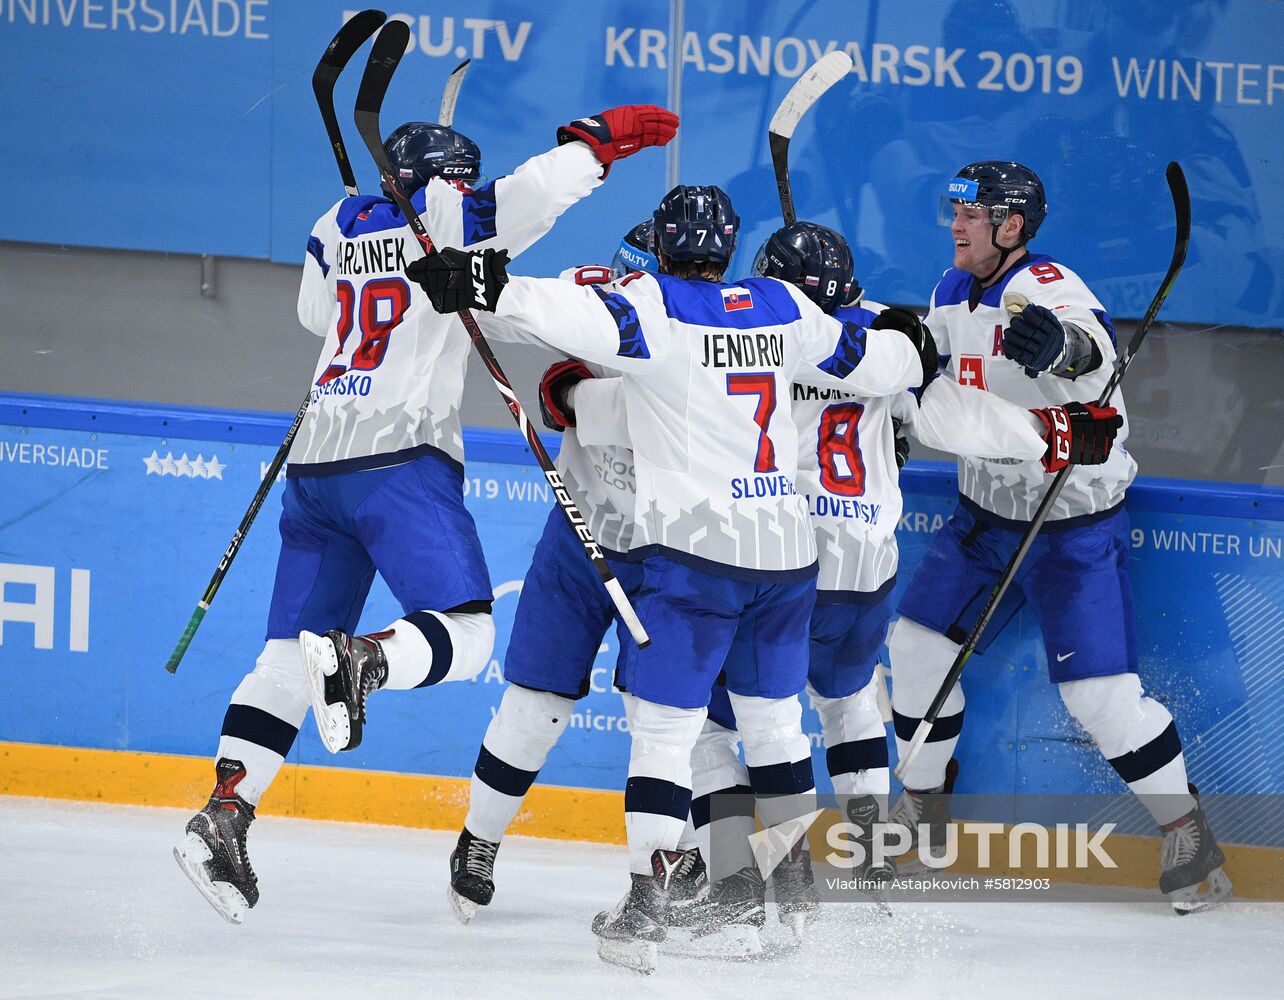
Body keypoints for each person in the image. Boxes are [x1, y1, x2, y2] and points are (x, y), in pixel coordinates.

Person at [172, 106, 678, 924]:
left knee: (281, 658)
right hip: (397, 460)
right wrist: (598, 145)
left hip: (316, 466)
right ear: (444, 176)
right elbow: (531, 195)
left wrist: (370, 246)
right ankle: (365, 662)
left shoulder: (333, 220)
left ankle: (224, 815)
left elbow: (317, 316)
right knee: (467, 630)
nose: (471, 190)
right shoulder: (445, 212)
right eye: (463, 178)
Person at [404, 183, 927, 972]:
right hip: (774, 553)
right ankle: (790, 885)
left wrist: (499, 302)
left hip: (689, 554)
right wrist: (916, 342)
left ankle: (647, 902)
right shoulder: (778, 307)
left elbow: (547, 314)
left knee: (669, 731)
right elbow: (871, 353)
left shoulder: (646, 308)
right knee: (771, 724)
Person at [682, 221, 1124, 942]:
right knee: (852, 704)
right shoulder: (888, 343)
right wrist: (1054, 434)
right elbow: (957, 419)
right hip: (867, 565)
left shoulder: (755, 336)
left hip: (786, 567)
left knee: (724, 724)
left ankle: (738, 877)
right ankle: (872, 862)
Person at [886, 160, 1230, 912]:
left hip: (1070, 525)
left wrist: (1063, 352)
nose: (956, 224)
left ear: (1011, 226)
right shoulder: (951, 289)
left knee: (1102, 699)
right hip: (982, 519)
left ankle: (1189, 836)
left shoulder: (1048, 286)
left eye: (971, 215)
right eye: (956, 212)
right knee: (913, 651)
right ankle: (921, 814)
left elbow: (1092, 347)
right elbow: (940, 369)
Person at [448, 222, 707, 923]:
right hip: (579, 539)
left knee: (663, 718)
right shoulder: (596, 296)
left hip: (668, 552)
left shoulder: (701, 327)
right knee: (535, 706)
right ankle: (479, 839)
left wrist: (573, 398)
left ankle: (671, 857)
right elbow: (525, 309)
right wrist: (468, 277)